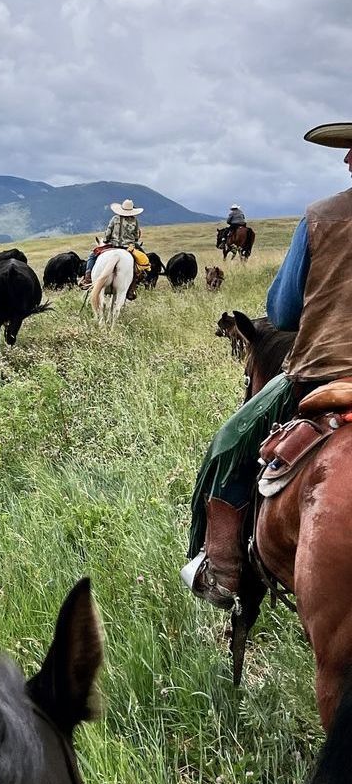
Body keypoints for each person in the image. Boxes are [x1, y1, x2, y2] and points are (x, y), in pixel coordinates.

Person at [185, 122, 352, 608]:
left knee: (231, 442)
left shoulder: (321, 217)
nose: (345, 161)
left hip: (324, 371)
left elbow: (280, 312)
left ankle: (222, 571)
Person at [79, 198, 145, 289]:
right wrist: (134, 240)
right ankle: (133, 286)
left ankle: (88, 278)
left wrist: (106, 240)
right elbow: (136, 235)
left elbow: (108, 232)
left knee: (92, 256)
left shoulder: (115, 218)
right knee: (139, 262)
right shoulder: (134, 220)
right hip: (128, 247)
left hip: (113, 245)